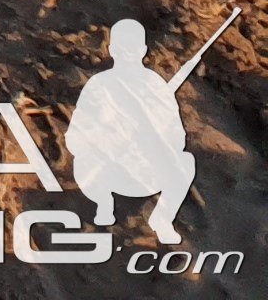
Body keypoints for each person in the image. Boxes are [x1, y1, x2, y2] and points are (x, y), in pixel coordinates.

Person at [68, 19, 198, 243]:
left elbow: (177, 137)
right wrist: (106, 139)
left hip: (147, 174)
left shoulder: (156, 86)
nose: (127, 55)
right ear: (111, 50)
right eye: (122, 49)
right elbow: (75, 136)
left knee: (186, 162)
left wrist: (153, 137)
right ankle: (104, 203)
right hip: (106, 173)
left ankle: (163, 219)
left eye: (132, 49)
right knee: (82, 159)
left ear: (143, 51)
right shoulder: (99, 85)